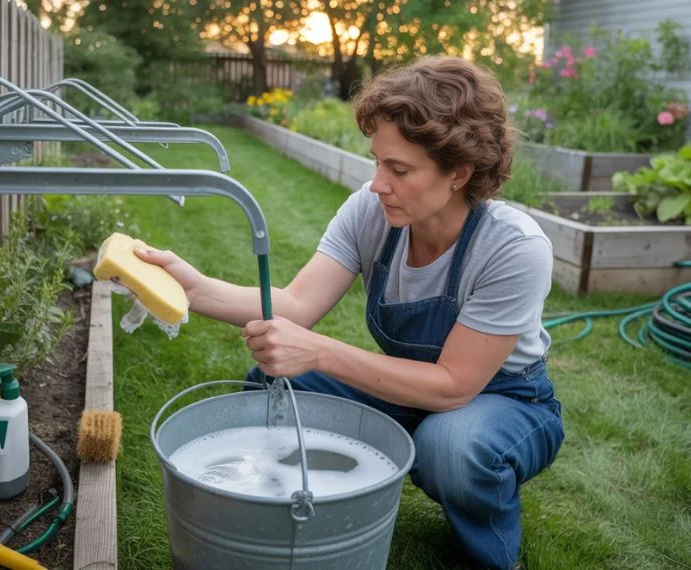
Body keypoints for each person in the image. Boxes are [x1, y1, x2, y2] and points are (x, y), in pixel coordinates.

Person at [136, 55, 565, 570]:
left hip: (503, 400)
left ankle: (495, 553)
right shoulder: (373, 210)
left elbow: (454, 385)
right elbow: (295, 305)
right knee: (274, 388)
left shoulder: (513, 249)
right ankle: (296, 519)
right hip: (409, 386)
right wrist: (192, 288)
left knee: (451, 446)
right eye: (377, 162)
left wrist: (318, 352)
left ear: (459, 173)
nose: (378, 183)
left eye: (399, 169)